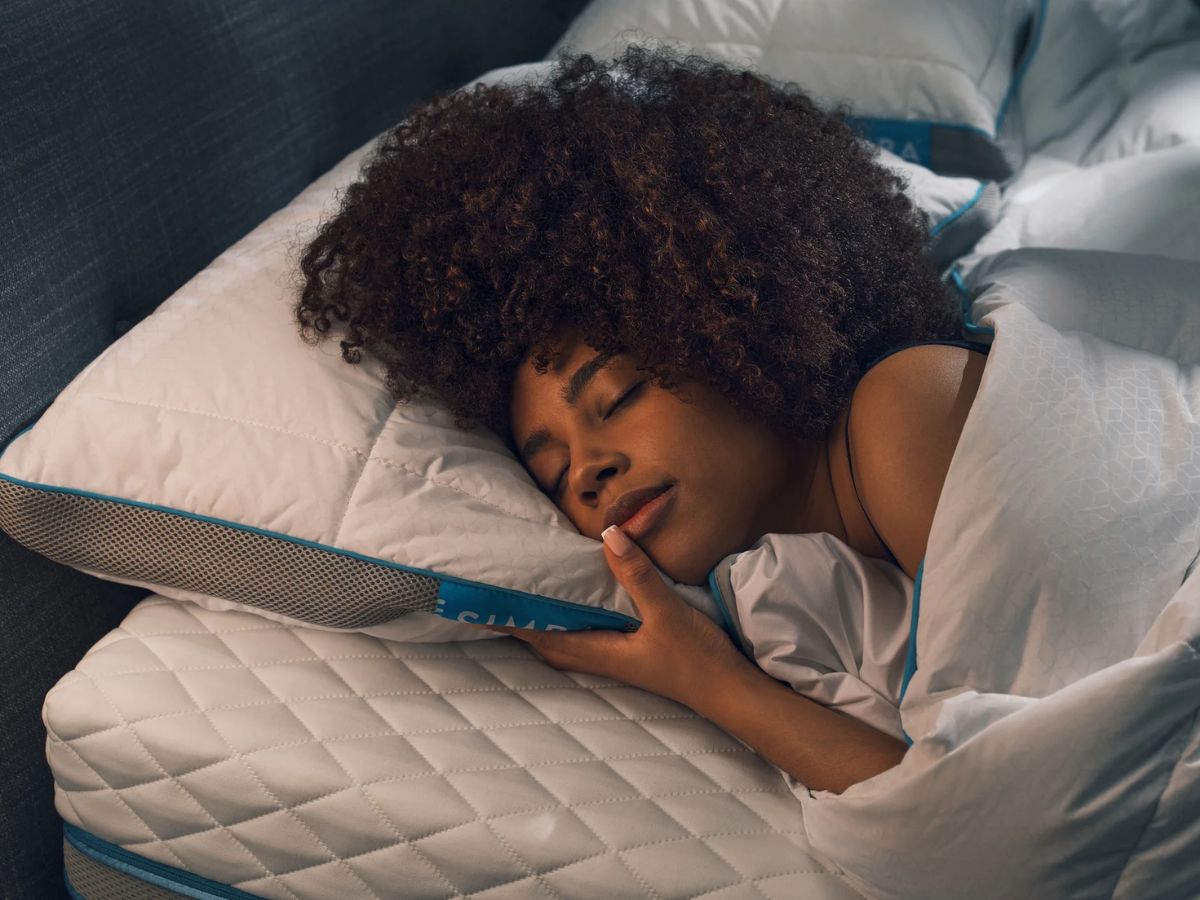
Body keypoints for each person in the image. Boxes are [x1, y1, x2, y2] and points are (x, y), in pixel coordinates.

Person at [294, 42, 986, 794]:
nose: (588, 470)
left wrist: (717, 687)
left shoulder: (907, 407)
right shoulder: (775, 608)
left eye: (617, 399)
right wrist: (706, 677)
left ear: (734, 330)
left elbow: (1013, 820)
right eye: (552, 473)